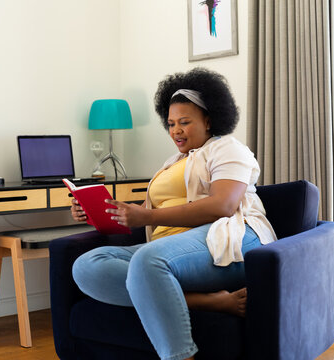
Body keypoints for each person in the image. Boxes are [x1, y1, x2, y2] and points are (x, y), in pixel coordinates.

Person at [70, 68, 277, 360]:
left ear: (209, 120)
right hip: (166, 248)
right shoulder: (173, 161)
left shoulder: (228, 148)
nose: (176, 130)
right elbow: (147, 213)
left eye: (184, 122)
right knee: (87, 266)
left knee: (148, 261)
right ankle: (209, 302)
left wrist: (148, 218)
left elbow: (223, 205)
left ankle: (181, 356)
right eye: (170, 124)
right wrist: (97, 212)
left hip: (230, 239)